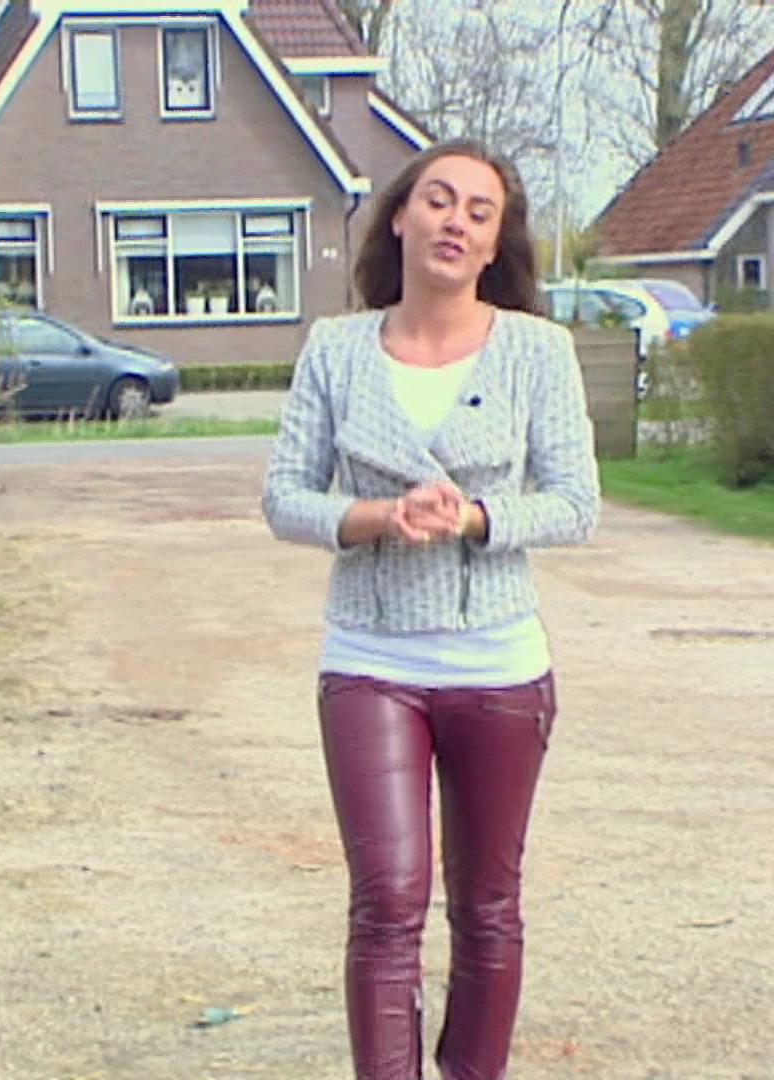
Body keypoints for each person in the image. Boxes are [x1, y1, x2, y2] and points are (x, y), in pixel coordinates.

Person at [261, 141, 600, 1080]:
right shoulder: (335, 349)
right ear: (401, 218)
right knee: (386, 901)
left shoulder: (538, 351)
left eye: (479, 212)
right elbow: (285, 497)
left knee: (487, 907)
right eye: (438, 200)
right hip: (370, 658)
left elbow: (576, 503)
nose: (456, 221)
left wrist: (477, 517)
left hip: (498, 664)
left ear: (495, 244)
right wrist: (377, 517)